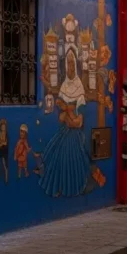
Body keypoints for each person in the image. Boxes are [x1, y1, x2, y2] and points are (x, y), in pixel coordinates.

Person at [39, 50, 92, 197]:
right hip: (64, 132)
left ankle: (73, 189)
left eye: (72, 64)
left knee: (73, 161)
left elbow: (78, 122)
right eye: (68, 64)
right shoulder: (64, 87)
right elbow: (61, 118)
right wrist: (68, 113)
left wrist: (67, 112)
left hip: (75, 137)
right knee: (56, 156)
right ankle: (58, 187)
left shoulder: (79, 88)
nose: (70, 68)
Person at [0, 119, 9, 183]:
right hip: (2, 151)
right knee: (3, 165)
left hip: (5, 151)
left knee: (5, 165)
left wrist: (2, 143)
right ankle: (3, 177)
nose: (3, 128)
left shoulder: (6, 134)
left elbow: (6, 143)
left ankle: (6, 179)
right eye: (2, 127)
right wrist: (1, 143)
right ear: (0, 127)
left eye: (4, 126)